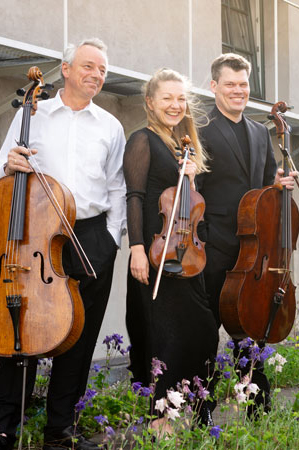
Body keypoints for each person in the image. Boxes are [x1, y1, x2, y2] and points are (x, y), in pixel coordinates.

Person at [0, 38, 125, 450]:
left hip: (90, 236)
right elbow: (3, 166)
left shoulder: (110, 126)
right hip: (35, 235)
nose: (96, 75)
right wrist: (9, 164)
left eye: (102, 70)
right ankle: (6, 426)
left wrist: (112, 237)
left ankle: (59, 431)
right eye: (89, 66)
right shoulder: (31, 114)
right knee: (23, 329)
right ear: (66, 69)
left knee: (79, 337)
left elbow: (116, 187)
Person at [196, 53, 296, 422]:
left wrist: (279, 183)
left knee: (251, 328)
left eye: (243, 84)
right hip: (215, 246)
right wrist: (201, 240)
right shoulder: (201, 127)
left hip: (254, 250)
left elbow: (265, 186)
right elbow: (195, 190)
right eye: (230, 84)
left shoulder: (258, 131)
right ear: (214, 86)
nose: (238, 90)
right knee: (207, 331)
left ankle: (258, 406)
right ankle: (202, 410)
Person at [123, 68, 218, 434]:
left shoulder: (182, 145)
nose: (175, 105)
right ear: (150, 102)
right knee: (163, 338)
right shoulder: (142, 140)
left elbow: (190, 207)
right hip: (154, 254)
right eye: (167, 98)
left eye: (181, 98)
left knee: (202, 332)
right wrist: (136, 248)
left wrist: (191, 177)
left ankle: (187, 407)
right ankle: (160, 420)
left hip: (185, 257)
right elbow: (135, 197)